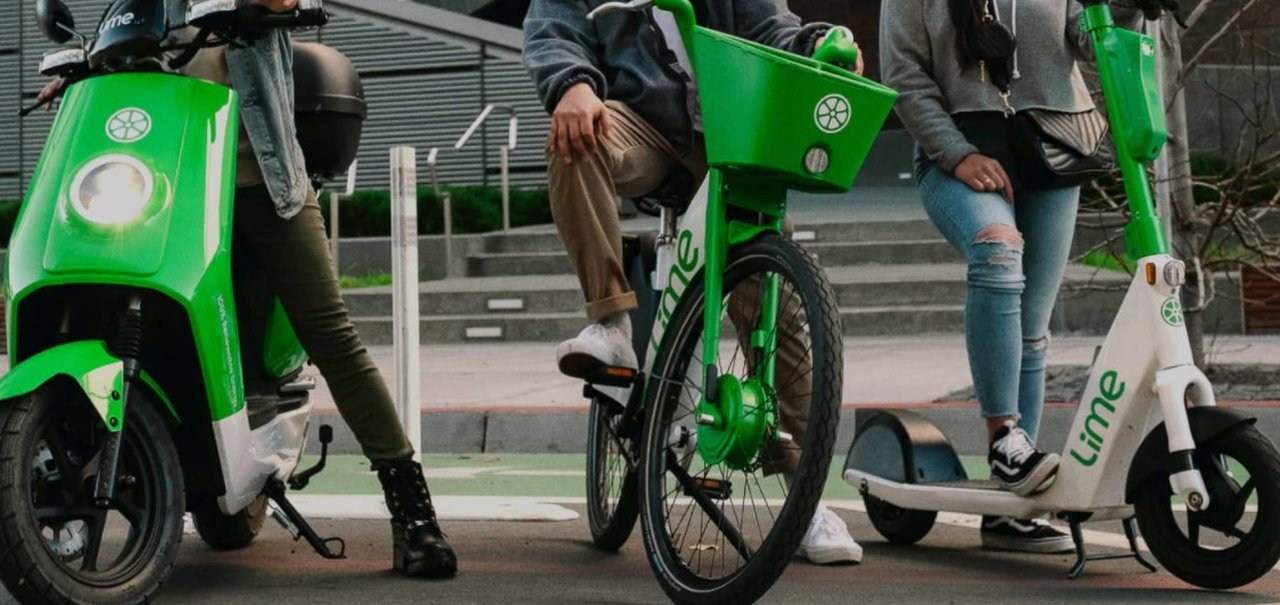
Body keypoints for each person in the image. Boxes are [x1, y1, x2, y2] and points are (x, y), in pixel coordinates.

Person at [38, 0, 457, 578]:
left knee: (330, 332)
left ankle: (412, 512)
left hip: (259, 176)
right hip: (171, 185)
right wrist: (88, 65)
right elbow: (127, 41)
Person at [522, 0, 864, 565]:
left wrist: (824, 45)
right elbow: (552, 26)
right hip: (646, 129)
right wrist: (571, 85)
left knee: (777, 311)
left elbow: (771, 27)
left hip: (737, 135)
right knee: (573, 141)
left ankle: (805, 499)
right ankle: (611, 324)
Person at [880, 0, 1153, 553]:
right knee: (998, 251)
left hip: (1054, 145)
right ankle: (1005, 436)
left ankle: (1011, 509)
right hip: (958, 151)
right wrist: (956, 154)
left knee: (1033, 323)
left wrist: (1128, 9)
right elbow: (904, 75)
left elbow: (1090, 39)